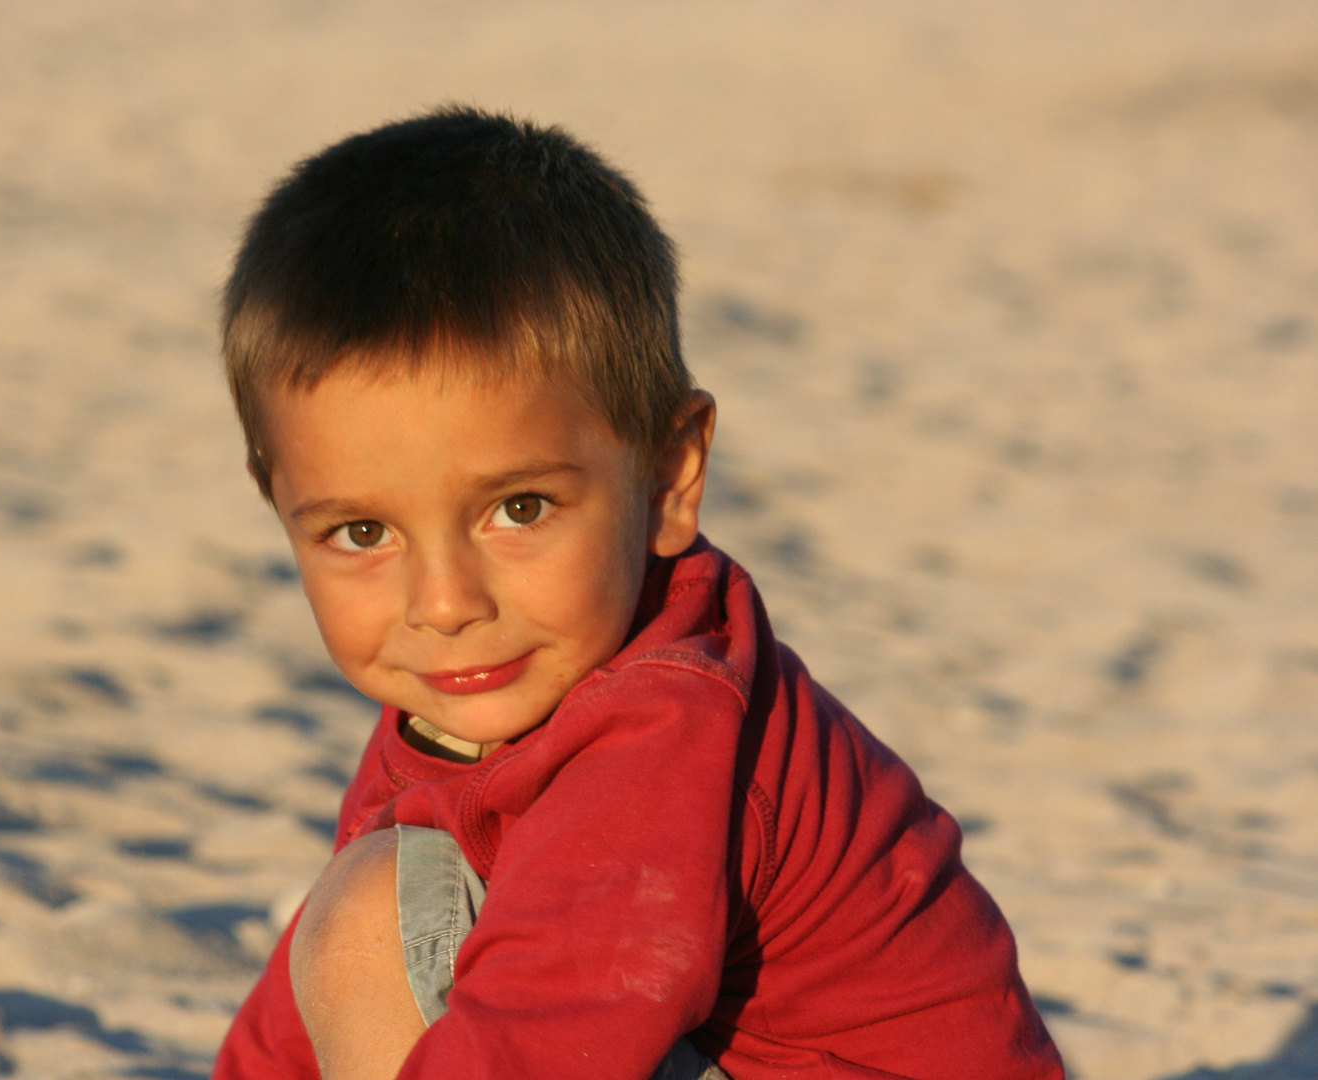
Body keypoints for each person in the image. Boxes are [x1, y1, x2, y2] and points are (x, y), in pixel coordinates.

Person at [209, 105, 1063, 1080]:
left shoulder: (664, 728)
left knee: (373, 917)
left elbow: (549, 1034)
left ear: (667, 478)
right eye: (363, 534)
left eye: (519, 508)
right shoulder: (464, 705)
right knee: (363, 903)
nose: (444, 603)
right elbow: (290, 1020)